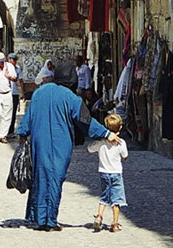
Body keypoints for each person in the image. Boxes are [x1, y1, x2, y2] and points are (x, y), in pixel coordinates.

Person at [17, 60, 121, 232]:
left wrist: (22, 133)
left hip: (39, 142)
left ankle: (40, 217)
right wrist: (107, 133)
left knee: (41, 177)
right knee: (56, 178)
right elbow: (86, 122)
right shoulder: (72, 98)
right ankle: (50, 221)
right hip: (61, 144)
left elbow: (27, 118)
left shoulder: (39, 93)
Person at [87, 113, 128, 233]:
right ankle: (115, 224)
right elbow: (125, 156)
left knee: (104, 195)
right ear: (120, 128)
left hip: (104, 172)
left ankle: (99, 216)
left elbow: (89, 149)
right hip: (116, 173)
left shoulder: (101, 142)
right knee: (117, 200)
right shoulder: (121, 142)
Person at [7, 53, 24, 138]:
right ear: (9, 60)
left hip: (15, 93)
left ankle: (11, 131)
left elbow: (20, 81)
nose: (15, 62)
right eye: (14, 60)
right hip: (6, 92)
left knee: (13, 113)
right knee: (6, 112)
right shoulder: (5, 68)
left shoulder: (17, 69)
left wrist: (22, 93)